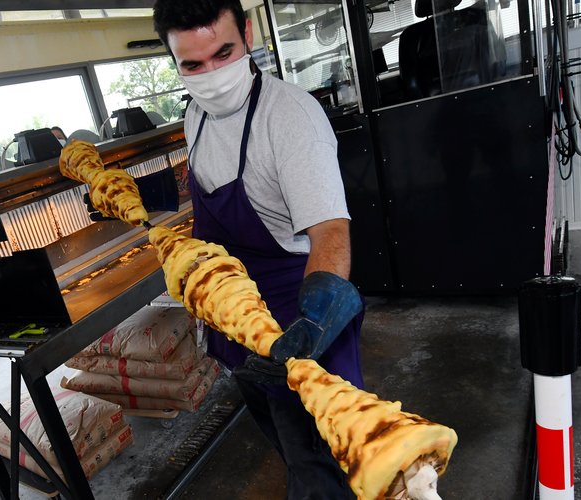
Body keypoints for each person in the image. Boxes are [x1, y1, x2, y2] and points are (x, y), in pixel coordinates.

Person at [153, 1, 365, 498]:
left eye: (223, 53)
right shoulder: (194, 117)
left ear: (246, 32)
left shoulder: (289, 116)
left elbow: (330, 232)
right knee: (283, 439)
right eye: (193, 65)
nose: (212, 75)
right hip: (240, 319)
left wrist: (311, 329)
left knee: (327, 461)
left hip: (302, 314)